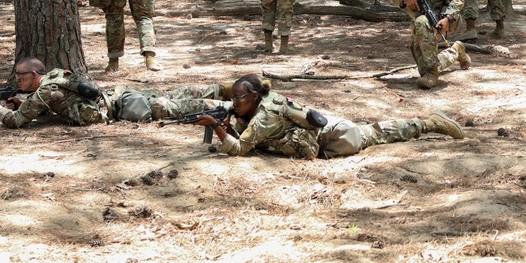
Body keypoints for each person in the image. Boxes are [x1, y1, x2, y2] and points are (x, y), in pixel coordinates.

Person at [196, 74, 466, 159]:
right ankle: (428, 123)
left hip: (337, 136)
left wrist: (217, 128)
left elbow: (242, 148)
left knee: (380, 133)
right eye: (232, 99)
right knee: (378, 132)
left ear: (254, 96)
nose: (235, 103)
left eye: (238, 99)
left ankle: (431, 123)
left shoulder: (266, 114)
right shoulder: (259, 105)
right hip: (325, 136)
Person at [0, 57, 230, 128]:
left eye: (21, 76)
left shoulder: (43, 93)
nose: (17, 80)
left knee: (174, 106)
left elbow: (15, 121)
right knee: (173, 94)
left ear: (35, 75)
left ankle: (230, 106)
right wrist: (23, 101)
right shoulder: (56, 77)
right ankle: (221, 89)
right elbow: (60, 103)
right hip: (117, 96)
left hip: (123, 106)